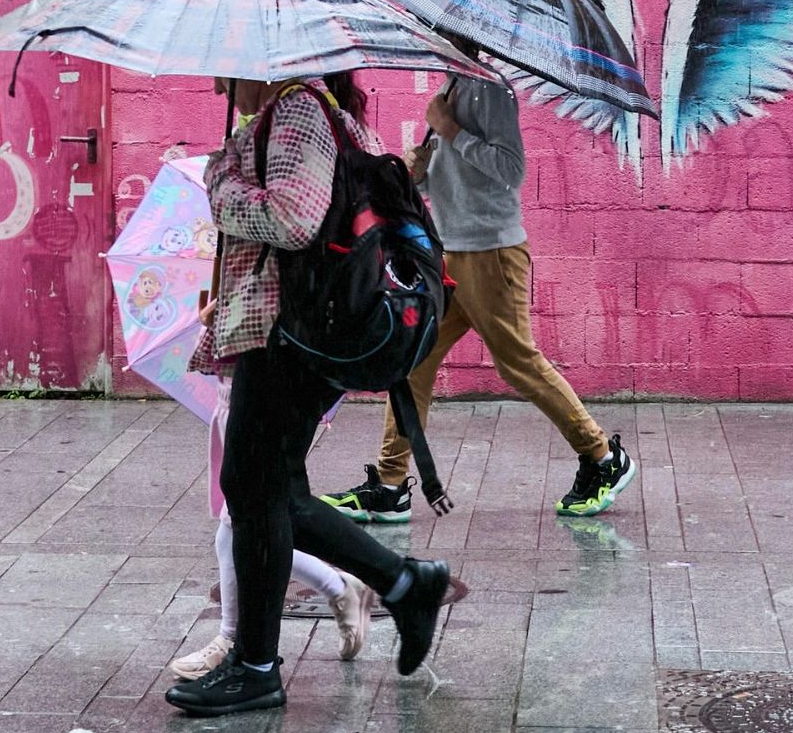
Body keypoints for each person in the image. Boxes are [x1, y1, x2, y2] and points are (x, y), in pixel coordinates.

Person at [164, 72, 450, 718]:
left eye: (222, 70)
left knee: (253, 485)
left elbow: (293, 220)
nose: (215, 85)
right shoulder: (303, 114)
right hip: (290, 331)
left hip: (288, 336)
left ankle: (257, 667)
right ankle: (406, 584)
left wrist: (221, 183)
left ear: (254, 64)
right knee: (273, 491)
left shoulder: (294, 110)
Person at [321, 40, 636, 522]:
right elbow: (457, 180)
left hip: (490, 253)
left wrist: (453, 131)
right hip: (451, 253)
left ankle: (601, 457)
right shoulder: (453, 86)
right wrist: (420, 175)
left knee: (518, 363)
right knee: (411, 364)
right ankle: (389, 485)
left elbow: (510, 171)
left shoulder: (491, 90)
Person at [166, 370, 373, 681]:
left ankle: (233, 638)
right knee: (247, 526)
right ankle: (343, 587)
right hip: (234, 403)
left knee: (242, 526)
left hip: (264, 405)